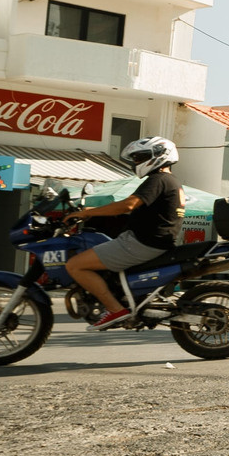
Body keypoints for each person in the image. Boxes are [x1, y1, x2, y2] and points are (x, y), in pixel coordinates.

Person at [67, 136, 186, 330]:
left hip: (141, 243)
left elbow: (127, 205)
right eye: (136, 158)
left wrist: (87, 212)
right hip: (155, 243)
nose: (136, 162)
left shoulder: (158, 179)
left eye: (141, 157)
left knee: (75, 265)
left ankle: (115, 310)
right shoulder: (171, 181)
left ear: (159, 156)